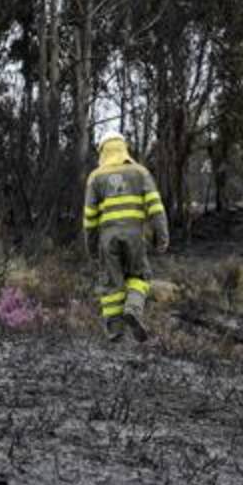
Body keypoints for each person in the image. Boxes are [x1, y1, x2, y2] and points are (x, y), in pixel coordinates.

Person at [83, 134, 169, 342]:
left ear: (103, 150)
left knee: (112, 282)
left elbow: (89, 216)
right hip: (135, 237)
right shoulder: (141, 172)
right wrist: (162, 236)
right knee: (139, 276)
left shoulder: (95, 177)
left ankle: (115, 331)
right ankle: (132, 309)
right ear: (124, 148)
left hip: (107, 237)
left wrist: (91, 246)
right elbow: (156, 208)